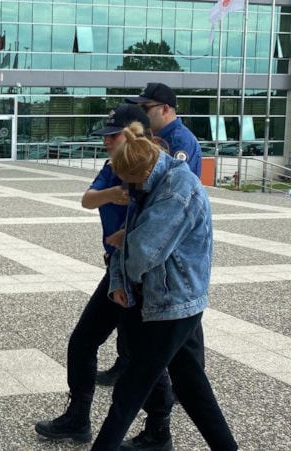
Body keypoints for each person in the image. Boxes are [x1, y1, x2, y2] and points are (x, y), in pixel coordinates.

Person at [90, 121, 237, 451]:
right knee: (190, 385)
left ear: (143, 171)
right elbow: (130, 240)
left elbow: (142, 252)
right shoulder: (147, 181)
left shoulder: (176, 190)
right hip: (166, 300)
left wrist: (123, 272)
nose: (126, 189)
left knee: (131, 388)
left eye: (129, 182)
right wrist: (119, 280)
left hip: (174, 303)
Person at [35, 104, 173, 449]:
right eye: (106, 137)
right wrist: (112, 194)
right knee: (84, 341)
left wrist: (129, 235)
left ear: (134, 135)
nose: (106, 142)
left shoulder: (157, 170)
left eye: (112, 136)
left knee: (145, 356)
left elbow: (163, 228)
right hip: (117, 270)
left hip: (143, 276)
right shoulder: (113, 167)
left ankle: (158, 430)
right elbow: (87, 199)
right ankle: (78, 417)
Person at [97, 82, 204, 388]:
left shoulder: (179, 142)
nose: (140, 113)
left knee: (182, 323)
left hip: (168, 247)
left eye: (145, 108)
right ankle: (135, 369)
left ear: (165, 109)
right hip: (148, 244)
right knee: (144, 318)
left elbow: (171, 201)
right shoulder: (148, 140)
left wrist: (132, 240)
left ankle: (183, 384)